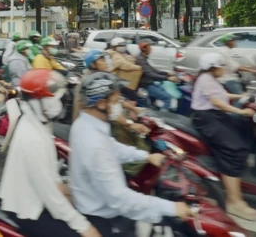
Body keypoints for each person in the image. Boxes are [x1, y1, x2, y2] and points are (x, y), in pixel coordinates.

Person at [69, 71, 191, 234]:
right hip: (105, 218)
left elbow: (112, 147)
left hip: (98, 204)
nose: (119, 104)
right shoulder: (94, 144)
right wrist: (171, 208)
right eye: (116, 100)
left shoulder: (85, 124)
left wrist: (146, 156)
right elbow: (120, 199)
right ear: (101, 103)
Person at [0, 69, 101, 237]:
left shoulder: (39, 123)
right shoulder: (32, 139)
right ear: (36, 101)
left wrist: (64, 188)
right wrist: (83, 227)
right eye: (52, 99)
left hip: (39, 198)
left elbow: (51, 174)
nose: (58, 104)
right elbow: (50, 196)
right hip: (27, 208)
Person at [190, 52, 256, 220]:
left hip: (215, 116)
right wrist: (241, 111)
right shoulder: (205, 79)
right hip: (207, 119)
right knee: (232, 149)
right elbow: (217, 102)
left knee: (243, 131)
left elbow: (223, 96)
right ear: (213, 68)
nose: (224, 69)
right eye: (221, 66)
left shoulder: (210, 79)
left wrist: (243, 97)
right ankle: (233, 201)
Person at [135, 41, 178, 109]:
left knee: (163, 88)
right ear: (144, 49)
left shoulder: (143, 58)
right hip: (146, 85)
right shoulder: (140, 60)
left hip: (149, 82)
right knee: (167, 98)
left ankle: (156, 106)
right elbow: (150, 74)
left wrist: (167, 73)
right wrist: (167, 78)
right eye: (149, 47)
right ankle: (164, 117)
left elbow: (154, 70)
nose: (151, 49)